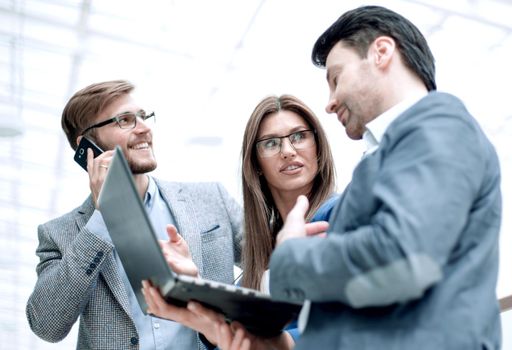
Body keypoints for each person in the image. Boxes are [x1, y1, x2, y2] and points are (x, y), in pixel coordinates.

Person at [265, 5, 502, 350]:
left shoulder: (439, 123)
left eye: (336, 78)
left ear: (381, 52)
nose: (329, 103)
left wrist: (290, 258)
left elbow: (403, 258)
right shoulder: (383, 158)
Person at [25, 80, 243, 349]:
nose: (144, 128)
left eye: (143, 116)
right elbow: (47, 325)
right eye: (125, 120)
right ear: (87, 145)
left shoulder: (211, 199)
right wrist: (103, 219)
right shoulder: (60, 234)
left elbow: (273, 265)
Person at [142, 94, 338, 348]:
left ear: (318, 147)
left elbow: (353, 321)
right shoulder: (264, 245)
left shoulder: (338, 214)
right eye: (271, 143)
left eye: (299, 136)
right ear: (256, 164)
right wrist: (195, 286)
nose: (288, 152)